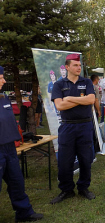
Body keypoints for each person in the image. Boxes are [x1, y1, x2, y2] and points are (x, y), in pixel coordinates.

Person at [50, 54, 96, 204]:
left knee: (85, 159)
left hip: (85, 126)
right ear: (67, 67)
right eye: (75, 65)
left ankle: (83, 188)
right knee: (65, 161)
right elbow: (59, 105)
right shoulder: (59, 84)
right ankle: (66, 190)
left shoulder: (87, 82)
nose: (78, 67)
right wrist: (80, 101)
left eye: (79, 65)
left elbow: (91, 100)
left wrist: (69, 98)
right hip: (67, 126)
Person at [0, 66, 44, 222]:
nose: (4, 80)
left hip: (10, 148)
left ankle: (24, 213)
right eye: (0, 78)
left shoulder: (3, 98)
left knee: (17, 183)